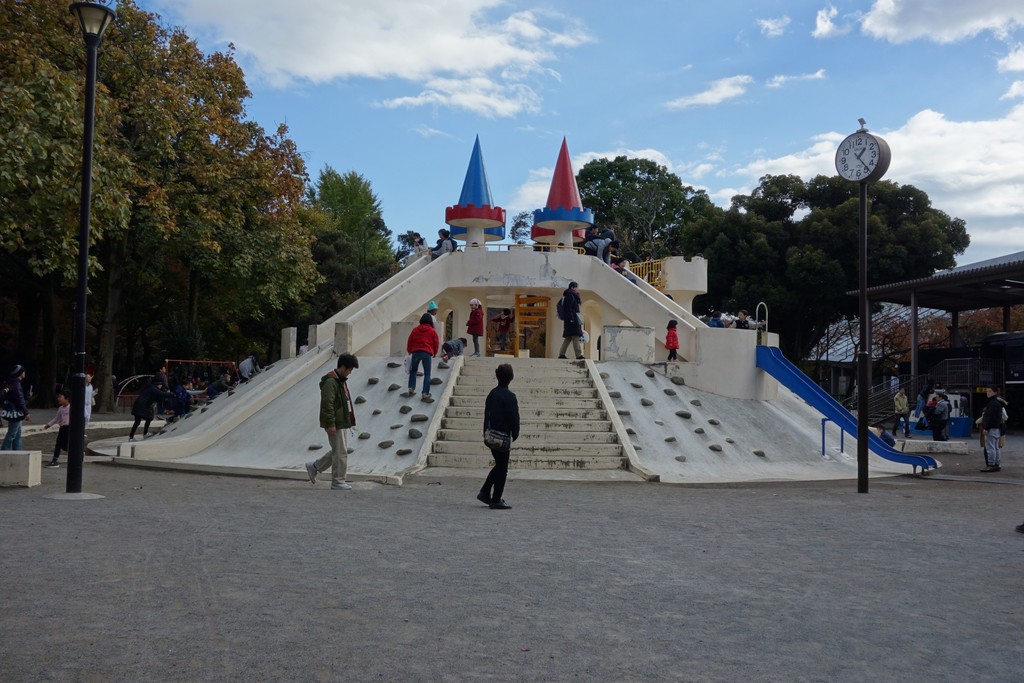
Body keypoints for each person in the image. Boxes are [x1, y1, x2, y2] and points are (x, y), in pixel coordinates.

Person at [304, 353, 360, 490]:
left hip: (341, 421)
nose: (350, 373)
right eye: (349, 369)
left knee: (339, 450)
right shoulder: (331, 382)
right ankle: (338, 481)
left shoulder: (339, 381)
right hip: (335, 422)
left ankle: (315, 466)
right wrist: (331, 424)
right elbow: (327, 404)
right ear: (342, 367)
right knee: (341, 452)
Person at [478, 363, 520, 510]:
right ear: (511, 378)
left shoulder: (492, 394)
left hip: (491, 435)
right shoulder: (510, 397)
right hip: (503, 436)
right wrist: (515, 434)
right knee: (502, 468)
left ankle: (484, 492)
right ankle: (496, 498)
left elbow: (486, 414)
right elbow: (514, 418)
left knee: (499, 465)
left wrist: (485, 432)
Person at [406, 313, 439, 400]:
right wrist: (435, 353)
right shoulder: (432, 331)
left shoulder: (415, 330)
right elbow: (436, 343)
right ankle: (425, 393)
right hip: (426, 353)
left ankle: (411, 388)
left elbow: (410, 340)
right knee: (427, 373)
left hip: (416, 352)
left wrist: (409, 350)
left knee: (413, 370)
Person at [1, 365, 31, 450]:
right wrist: (26, 412)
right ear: (20, 373)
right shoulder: (16, 384)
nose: (25, 373)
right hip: (16, 411)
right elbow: (19, 399)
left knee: (17, 434)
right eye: (23, 371)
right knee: (12, 434)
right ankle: (3, 450)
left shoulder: (12, 382)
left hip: (15, 411)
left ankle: (17, 451)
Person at [43, 390, 71, 468]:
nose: (58, 398)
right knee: (60, 444)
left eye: (61, 397)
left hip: (69, 428)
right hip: (62, 428)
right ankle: (55, 460)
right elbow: (56, 418)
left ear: (67, 399)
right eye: (58, 397)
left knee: (65, 445)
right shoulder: (60, 408)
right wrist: (49, 424)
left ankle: (77, 454)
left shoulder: (71, 408)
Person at [980, 387, 1005, 472]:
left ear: (995, 392)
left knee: (990, 447)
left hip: (991, 428)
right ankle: (997, 464)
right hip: (997, 427)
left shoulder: (992, 403)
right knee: (996, 447)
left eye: (990, 391)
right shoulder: (998, 403)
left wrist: (986, 427)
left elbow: (990, 417)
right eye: (987, 391)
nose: (988, 393)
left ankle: (991, 464)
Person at [557, 281, 584, 360]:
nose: (577, 289)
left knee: (568, 338)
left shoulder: (571, 296)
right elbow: (569, 309)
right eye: (576, 287)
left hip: (570, 320)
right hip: (572, 320)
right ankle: (578, 355)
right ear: (572, 287)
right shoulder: (570, 296)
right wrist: (571, 319)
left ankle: (561, 354)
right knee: (575, 336)